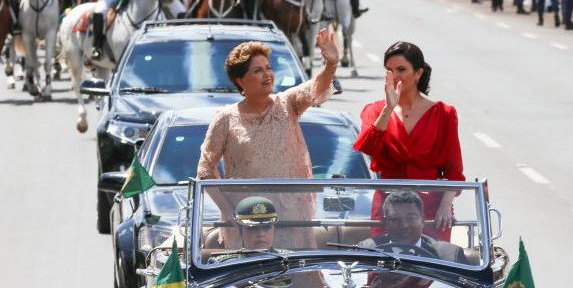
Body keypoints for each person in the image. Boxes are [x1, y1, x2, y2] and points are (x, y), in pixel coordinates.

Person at [196, 28, 339, 249]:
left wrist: (330, 65)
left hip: (291, 220)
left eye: (268, 68)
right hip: (247, 223)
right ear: (240, 81)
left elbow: (315, 89)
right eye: (258, 71)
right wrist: (229, 211)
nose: (267, 75)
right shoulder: (225, 118)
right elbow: (205, 171)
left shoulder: (287, 104)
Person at [353, 41, 464, 241]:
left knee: (433, 268)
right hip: (389, 210)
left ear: (418, 73)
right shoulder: (375, 110)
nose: (394, 76)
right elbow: (367, 148)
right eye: (389, 70)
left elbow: (454, 170)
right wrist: (389, 108)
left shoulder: (445, 114)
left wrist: (445, 206)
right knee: (384, 269)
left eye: (401, 69)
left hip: (430, 212)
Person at [358, 190, 467, 263]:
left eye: (411, 218)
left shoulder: (449, 256)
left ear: (423, 220)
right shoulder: (367, 251)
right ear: (385, 223)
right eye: (395, 219)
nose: (404, 225)